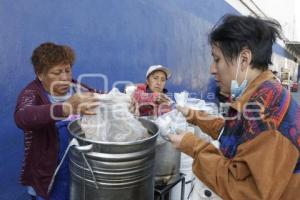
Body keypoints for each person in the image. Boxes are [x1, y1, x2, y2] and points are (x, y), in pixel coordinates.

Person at [168, 15, 300, 199]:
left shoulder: (266, 116)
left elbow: (245, 190)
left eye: (217, 59)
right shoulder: (261, 94)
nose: (212, 69)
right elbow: (235, 133)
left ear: (244, 60)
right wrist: (195, 116)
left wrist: (193, 146)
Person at [14, 42, 100, 200]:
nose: (65, 78)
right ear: (40, 74)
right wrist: (64, 108)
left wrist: (125, 100)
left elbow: (101, 98)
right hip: (48, 176)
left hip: (78, 171)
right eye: (57, 72)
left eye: (68, 70)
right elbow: (23, 117)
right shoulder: (32, 94)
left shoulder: (77, 88)